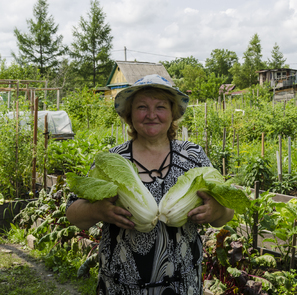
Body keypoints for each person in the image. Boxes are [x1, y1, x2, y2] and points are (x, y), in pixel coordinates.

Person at [66, 74, 235, 295]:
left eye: (161, 107)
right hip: (121, 286)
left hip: (183, 285)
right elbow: (73, 213)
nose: (152, 115)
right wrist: (98, 210)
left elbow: (227, 212)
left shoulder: (193, 155)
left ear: (173, 113)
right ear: (130, 114)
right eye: (142, 107)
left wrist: (216, 210)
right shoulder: (113, 159)